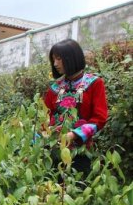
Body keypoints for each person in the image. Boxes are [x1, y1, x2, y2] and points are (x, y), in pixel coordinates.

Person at [43, 39, 108, 176]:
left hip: (82, 152)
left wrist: (73, 135)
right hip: (53, 151)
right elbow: (44, 118)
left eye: (59, 59)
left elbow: (99, 118)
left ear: (71, 58)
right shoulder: (54, 88)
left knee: (77, 191)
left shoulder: (94, 83)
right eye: (53, 60)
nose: (55, 64)